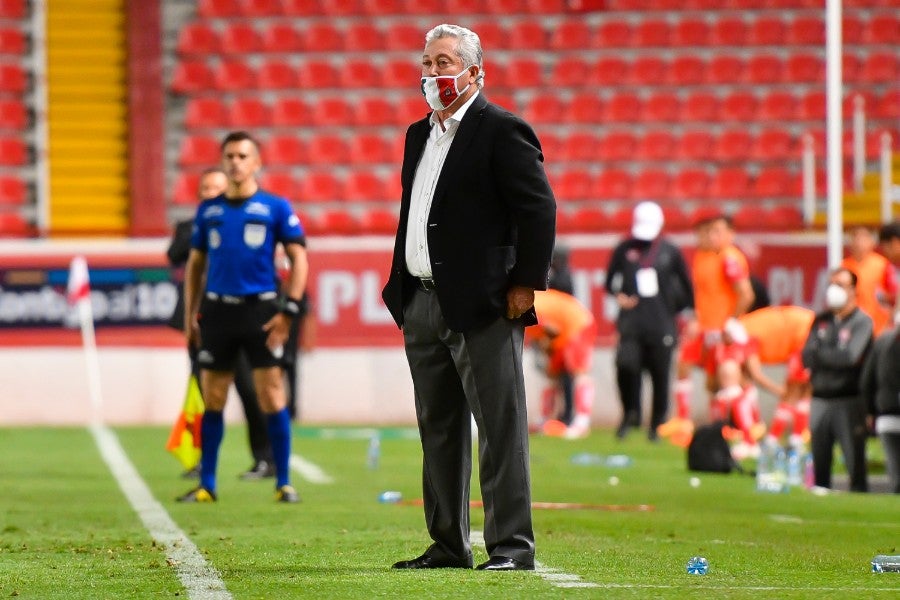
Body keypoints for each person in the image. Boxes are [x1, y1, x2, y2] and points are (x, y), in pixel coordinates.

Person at [381, 24, 556, 572]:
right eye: (428, 62)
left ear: (476, 71)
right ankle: (449, 544)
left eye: (445, 62)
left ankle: (511, 547)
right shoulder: (418, 134)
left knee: (499, 426)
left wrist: (525, 282)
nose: (434, 72)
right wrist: (404, 293)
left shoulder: (501, 130)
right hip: (423, 301)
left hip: (484, 304)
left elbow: (539, 209)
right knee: (439, 428)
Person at [178, 131, 309, 503]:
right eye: (230, 156)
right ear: (223, 162)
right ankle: (207, 484)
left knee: (271, 394)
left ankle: (283, 481)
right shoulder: (209, 211)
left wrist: (289, 310)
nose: (235, 162)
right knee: (213, 397)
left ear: (256, 163)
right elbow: (195, 265)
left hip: (261, 311)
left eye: (242, 156)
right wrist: (191, 315)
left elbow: (299, 259)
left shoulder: (275, 207)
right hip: (218, 311)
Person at [167, 167, 276, 480]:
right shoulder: (191, 226)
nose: (210, 193)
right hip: (203, 321)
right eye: (205, 189)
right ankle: (203, 460)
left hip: (238, 318)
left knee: (248, 389)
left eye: (216, 187)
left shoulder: (245, 221)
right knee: (201, 390)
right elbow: (174, 255)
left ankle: (265, 459)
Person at [661, 213, 754, 446]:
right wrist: (696, 318)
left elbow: (746, 294)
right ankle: (689, 422)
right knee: (696, 370)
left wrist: (731, 322)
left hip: (723, 328)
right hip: (706, 326)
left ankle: (745, 427)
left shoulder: (729, 257)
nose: (711, 236)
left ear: (730, 234)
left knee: (728, 377)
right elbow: (704, 295)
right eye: (708, 231)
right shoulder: (703, 256)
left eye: (717, 231)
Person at [605, 201, 693, 441]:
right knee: (626, 366)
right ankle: (630, 413)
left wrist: (673, 308)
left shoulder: (670, 251)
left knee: (660, 375)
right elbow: (609, 282)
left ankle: (657, 423)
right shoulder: (624, 248)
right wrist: (619, 296)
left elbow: (687, 289)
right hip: (631, 323)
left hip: (662, 324)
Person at [801, 267, 873, 492]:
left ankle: (860, 503)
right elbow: (806, 355)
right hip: (820, 397)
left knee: (854, 460)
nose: (834, 290)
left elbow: (850, 357)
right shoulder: (821, 320)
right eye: (831, 284)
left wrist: (822, 354)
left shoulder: (862, 322)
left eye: (840, 285)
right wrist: (829, 357)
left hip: (849, 399)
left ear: (853, 290)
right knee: (820, 457)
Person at [739, 306, 816, 449]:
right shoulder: (747, 326)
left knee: (793, 391)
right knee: (804, 391)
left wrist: (779, 391)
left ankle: (774, 439)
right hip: (807, 330)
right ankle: (796, 437)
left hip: (804, 336)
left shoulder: (745, 337)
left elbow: (756, 375)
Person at [525, 289, 597, 439]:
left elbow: (552, 330)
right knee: (552, 375)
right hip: (562, 331)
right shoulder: (528, 299)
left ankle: (582, 422)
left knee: (578, 372)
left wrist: (545, 345)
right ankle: (546, 419)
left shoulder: (528, 305)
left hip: (577, 325)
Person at [860, 323, 900, 493]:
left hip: (886, 414)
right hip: (888, 414)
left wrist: (870, 411)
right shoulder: (883, 341)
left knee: (896, 474)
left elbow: (866, 381)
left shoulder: (883, 341)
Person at [841, 225, 897, 336]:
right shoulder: (844, 266)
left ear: (871, 242)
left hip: (879, 326)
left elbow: (894, 294)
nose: (858, 243)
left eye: (863, 238)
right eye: (855, 238)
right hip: (852, 326)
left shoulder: (882, 265)